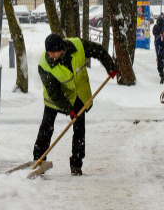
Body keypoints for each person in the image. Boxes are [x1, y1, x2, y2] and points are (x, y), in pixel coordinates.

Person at [34, 32, 117, 176]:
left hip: (77, 94)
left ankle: (76, 164)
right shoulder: (44, 65)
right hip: (54, 99)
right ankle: (38, 159)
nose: (51, 55)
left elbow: (98, 50)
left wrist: (110, 66)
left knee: (79, 129)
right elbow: (55, 94)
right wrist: (69, 110)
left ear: (62, 49)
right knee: (46, 127)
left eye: (54, 52)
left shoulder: (77, 46)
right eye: (49, 52)